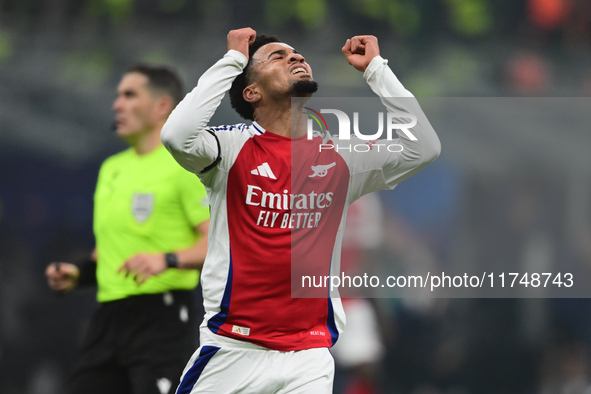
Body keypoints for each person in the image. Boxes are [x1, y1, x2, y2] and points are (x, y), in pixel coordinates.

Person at [161, 27, 440, 393]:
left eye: (297, 54)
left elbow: (424, 148)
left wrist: (377, 70)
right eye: (277, 57)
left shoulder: (342, 157)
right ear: (252, 92)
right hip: (233, 349)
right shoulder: (228, 149)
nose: (296, 57)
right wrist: (231, 61)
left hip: (308, 356)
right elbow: (176, 136)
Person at [45, 63, 210, 394]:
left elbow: (221, 243)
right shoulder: (112, 169)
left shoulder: (185, 165)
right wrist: (78, 273)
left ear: (162, 105)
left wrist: (167, 259)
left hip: (161, 315)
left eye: (129, 95)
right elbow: (107, 250)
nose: (116, 104)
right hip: (108, 317)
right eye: (118, 95)